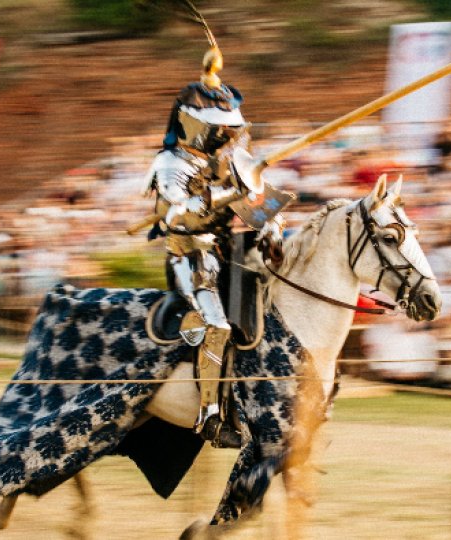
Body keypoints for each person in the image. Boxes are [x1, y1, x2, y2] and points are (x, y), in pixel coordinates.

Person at [142, 47, 284, 442]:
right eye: (218, 127)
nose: (224, 133)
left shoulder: (225, 159)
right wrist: (227, 192)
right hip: (191, 258)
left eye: (227, 127)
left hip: (230, 253)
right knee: (218, 326)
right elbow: (175, 216)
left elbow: (262, 203)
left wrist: (272, 227)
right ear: (192, 122)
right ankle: (209, 416)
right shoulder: (171, 164)